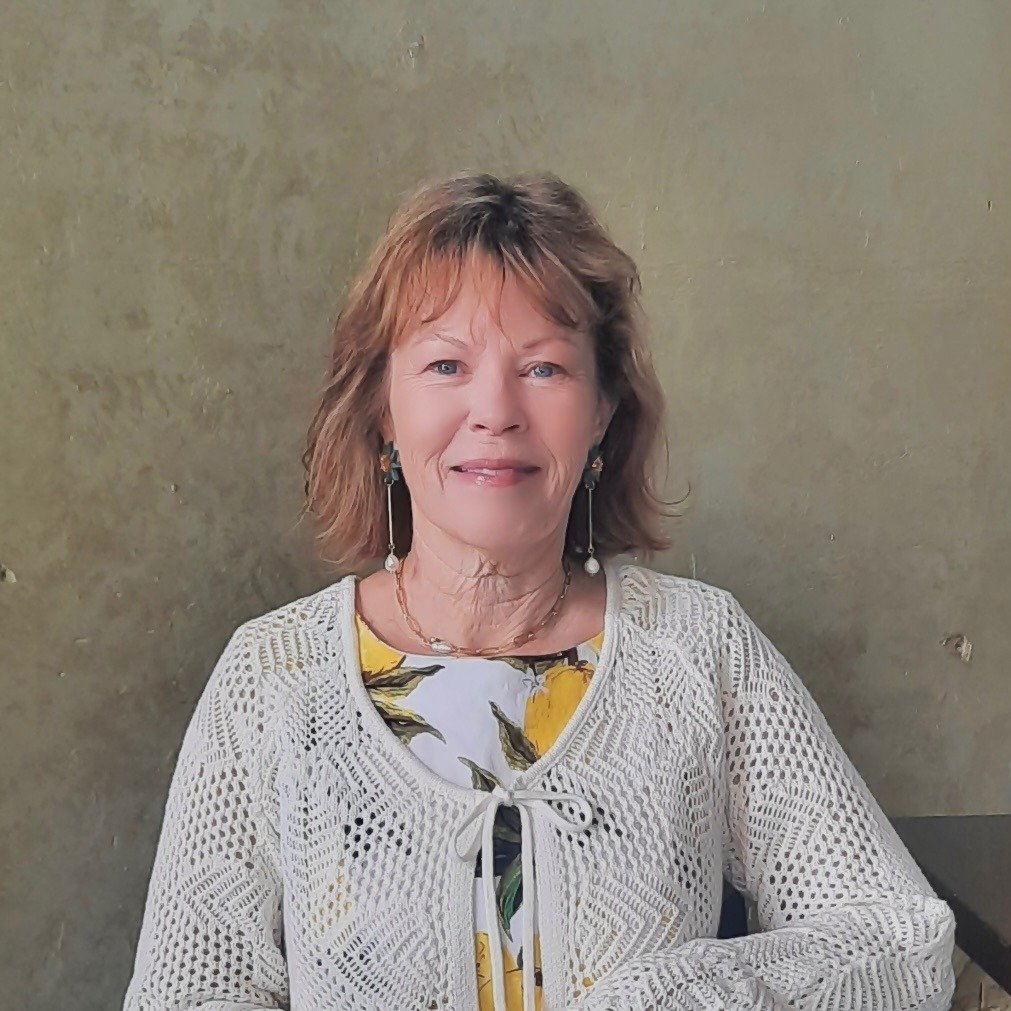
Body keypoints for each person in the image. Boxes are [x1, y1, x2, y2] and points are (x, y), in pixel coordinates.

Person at [123, 172, 957, 1011]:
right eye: (445, 363)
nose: (495, 410)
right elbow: (186, 995)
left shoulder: (698, 649)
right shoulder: (273, 677)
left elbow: (900, 942)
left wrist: (684, 995)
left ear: (602, 410)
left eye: (543, 367)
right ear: (382, 407)